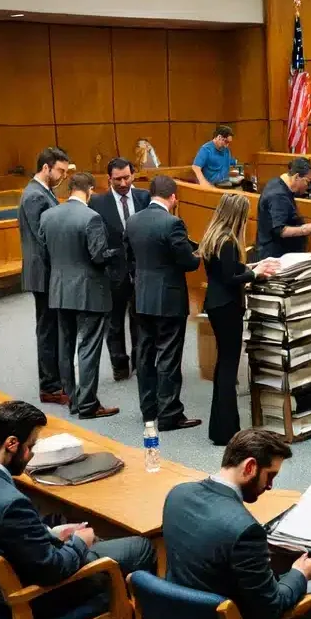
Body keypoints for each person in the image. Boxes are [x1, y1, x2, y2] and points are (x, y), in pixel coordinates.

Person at [0, 401, 156, 619]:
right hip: (32, 601)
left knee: (66, 528)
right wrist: (80, 541)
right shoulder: (10, 503)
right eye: (30, 447)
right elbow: (53, 570)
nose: (31, 455)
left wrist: (50, 533)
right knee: (140, 547)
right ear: (11, 444)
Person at [163, 428, 311, 619]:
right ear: (249, 467)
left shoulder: (177, 495)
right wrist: (299, 574)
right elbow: (272, 609)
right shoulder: (245, 530)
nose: (270, 486)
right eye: (270, 475)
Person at [200, 193, 280, 446]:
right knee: (228, 366)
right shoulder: (227, 240)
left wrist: (254, 267)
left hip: (217, 305)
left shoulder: (214, 236)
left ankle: (222, 427)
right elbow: (230, 279)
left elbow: (228, 269)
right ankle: (226, 430)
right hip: (227, 306)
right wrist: (255, 274)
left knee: (224, 364)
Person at [38, 172, 119, 420]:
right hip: (88, 292)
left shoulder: (48, 216)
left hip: (60, 291)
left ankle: (73, 400)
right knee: (88, 347)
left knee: (65, 346)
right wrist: (115, 253)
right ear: (90, 190)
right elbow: (98, 257)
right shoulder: (91, 217)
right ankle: (88, 404)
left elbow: (44, 255)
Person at [126, 176, 202, 431]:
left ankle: (149, 410)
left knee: (145, 355)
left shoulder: (133, 220)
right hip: (169, 300)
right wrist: (198, 255)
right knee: (168, 356)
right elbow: (187, 262)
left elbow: (129, 258)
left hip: (141, 297)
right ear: (173, 197)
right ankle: (169, 414)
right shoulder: (173, 223)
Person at [89, 158, 151, 381]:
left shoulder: (144, 198)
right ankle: (119, 365)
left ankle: (140, 362)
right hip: (112, 272)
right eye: (118, 179)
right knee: (114, 322)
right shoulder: (97, 203)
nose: (123, 183)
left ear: (133, 175)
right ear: (109, 179)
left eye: (126, 177)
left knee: (141, 319)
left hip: (141, 269)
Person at [18, 147, 70, 407]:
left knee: (52, 327)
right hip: (44, 272)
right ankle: (50, 387)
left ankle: (56, 381)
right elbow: (44, 235)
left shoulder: (43, 191)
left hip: (48, 270)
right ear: (46, 167)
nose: (63, 176)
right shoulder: (34, 196)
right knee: (48, 330)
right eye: (60, 170)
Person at [254, 157, 311, 260]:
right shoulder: (278, 196)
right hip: (276, 258)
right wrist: (309, 228)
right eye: (307, 182)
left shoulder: (276, 182)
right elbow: (281, 231)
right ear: (297, 177)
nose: (308, 187)